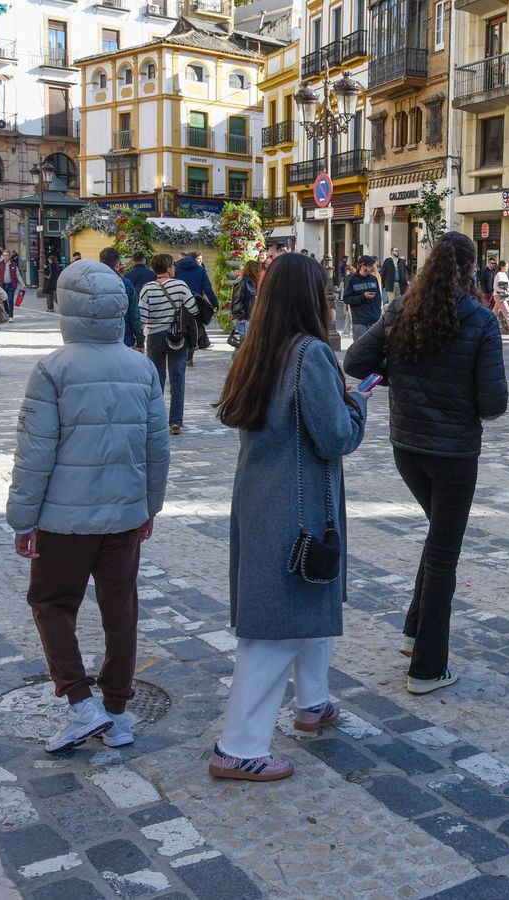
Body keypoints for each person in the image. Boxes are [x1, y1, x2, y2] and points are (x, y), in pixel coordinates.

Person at [209, 253, 367, 781]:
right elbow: (336, 435)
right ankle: (239, 747)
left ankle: (313, 702)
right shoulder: (311, 355)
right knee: (275, 627)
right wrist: (356, 404)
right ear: (311, 297)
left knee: (305, 599)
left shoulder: (255, 350)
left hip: (263, 501)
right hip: (296, 511)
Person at [8, 259, 170, 753]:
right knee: (120, 611)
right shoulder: (141, 366)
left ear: (66, 307)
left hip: (64, 519)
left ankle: (81, 703)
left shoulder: (53, 369)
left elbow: (35, 451)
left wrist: (23, 518)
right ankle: (118, 714)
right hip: (123, 516)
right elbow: (157, 446)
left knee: (51, 603)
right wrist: (150, 507)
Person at [345, 232, 506, 695]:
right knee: (443, 555)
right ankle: (427, 668)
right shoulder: (480, 320)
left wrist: (401, 373)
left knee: (438, 538)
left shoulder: (403, 309)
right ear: (472, 268)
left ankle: (415, 631)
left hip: (408, 447)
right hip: (454, 453)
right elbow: (493, 403)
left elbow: (357, 360)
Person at [137, 254, 199, 436]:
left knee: (157, 379)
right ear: (169, 267)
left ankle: (155, 418)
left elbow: (142, 315)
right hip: (177, 336)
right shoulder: (180, 285)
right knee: (177, 378)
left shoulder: (147, 288)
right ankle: (175, 422)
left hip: (155, 336)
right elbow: (193, 308)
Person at [99, 248, 144, 351]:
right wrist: (140, 341)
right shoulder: (126, 284)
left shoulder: (91, 283)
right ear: (117, 263)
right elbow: (134, 315)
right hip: (123, 338)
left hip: (99, 340)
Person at [342, 255, 383, 340]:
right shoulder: (352, 280)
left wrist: (378, 313)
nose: (373, 267)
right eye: (370, 266)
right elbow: (347, 299)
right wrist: (363, 296)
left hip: (374, 319)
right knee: (360, 348)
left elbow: (378, 298)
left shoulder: (373, 279)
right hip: (360, 321)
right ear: (363, 266)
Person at [230, 258, 261, 342]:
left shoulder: (253, 283)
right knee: (244, 342)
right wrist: (240, 317)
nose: (260, 272)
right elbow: (237, 300)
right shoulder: (243, 283)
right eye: (258, 270)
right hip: (244, 318)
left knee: (247, 342)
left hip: (250, 317)